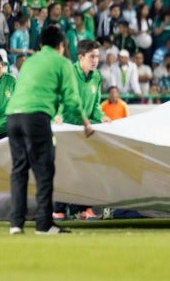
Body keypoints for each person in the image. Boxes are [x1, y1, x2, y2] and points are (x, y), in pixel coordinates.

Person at [5, 25, 93, 235]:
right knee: (44, 169)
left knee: (19, 170)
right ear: (61, 45)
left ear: (41, 44)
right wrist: (85, 121)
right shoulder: (62, 62)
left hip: (13, 117)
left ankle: (16, 224)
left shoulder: (29, 61)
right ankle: (44, 224)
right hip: (35, 116)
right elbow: (71, 98)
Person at [53, 39, 110, 221]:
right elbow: (59, 98)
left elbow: (95, 106)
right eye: (91, 56)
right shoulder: (68, 73)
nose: (95, 60)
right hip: (66, 128)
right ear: (80, 57)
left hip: (85, 130)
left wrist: (102, 117)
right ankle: (58, 209)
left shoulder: (97, 76)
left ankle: (85, 208)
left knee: (87, 169)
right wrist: (57, 115)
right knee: (64, 169)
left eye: (97, 56)